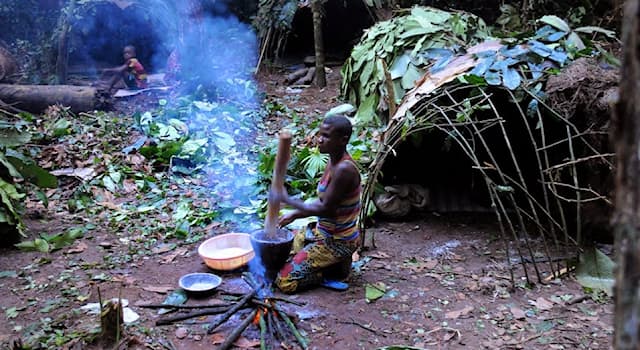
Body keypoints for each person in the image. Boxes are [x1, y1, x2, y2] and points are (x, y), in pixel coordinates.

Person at [273, 114, 362, 293]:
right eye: (320, 134)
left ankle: (328, 273)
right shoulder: (332, 159)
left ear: (343, 140)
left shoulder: (344, 170)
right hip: (322, 231)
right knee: (279, 248)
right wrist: (293, 212)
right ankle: (329, 265)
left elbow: (325, 208)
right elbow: (325, 200)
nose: (319, 140)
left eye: (326, 136)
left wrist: (290, 203)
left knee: (284, 281)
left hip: (338, 241)